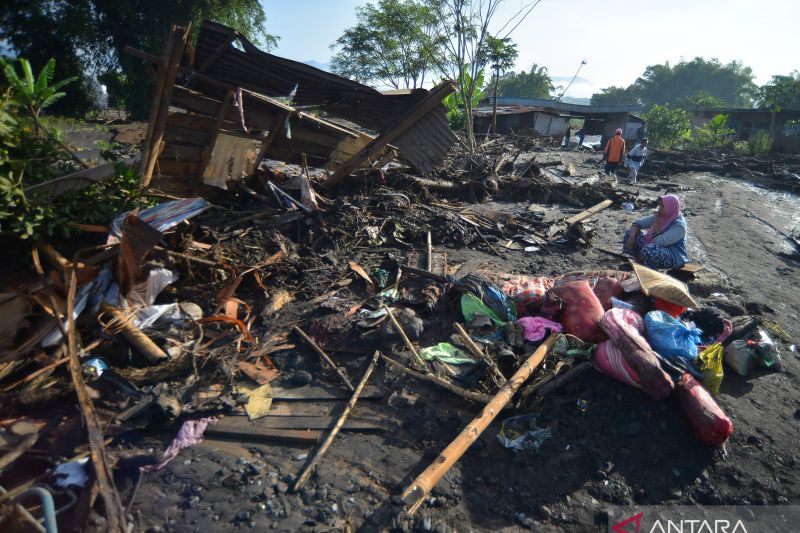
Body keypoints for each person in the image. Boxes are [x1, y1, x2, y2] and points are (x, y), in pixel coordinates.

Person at [622, 194, 688, 270]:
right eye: (659, 205)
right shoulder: (663, 215)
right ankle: (636, 261)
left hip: (673, 256)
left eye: (663, 206)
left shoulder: (679, 226)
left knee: (649, 249)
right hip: (656, 247)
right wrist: (632, 237)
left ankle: (648, 269)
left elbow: (658, 241)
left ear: (670, 207)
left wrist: (656, 220)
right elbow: (637, 223)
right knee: (630, 233)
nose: (659, 208)